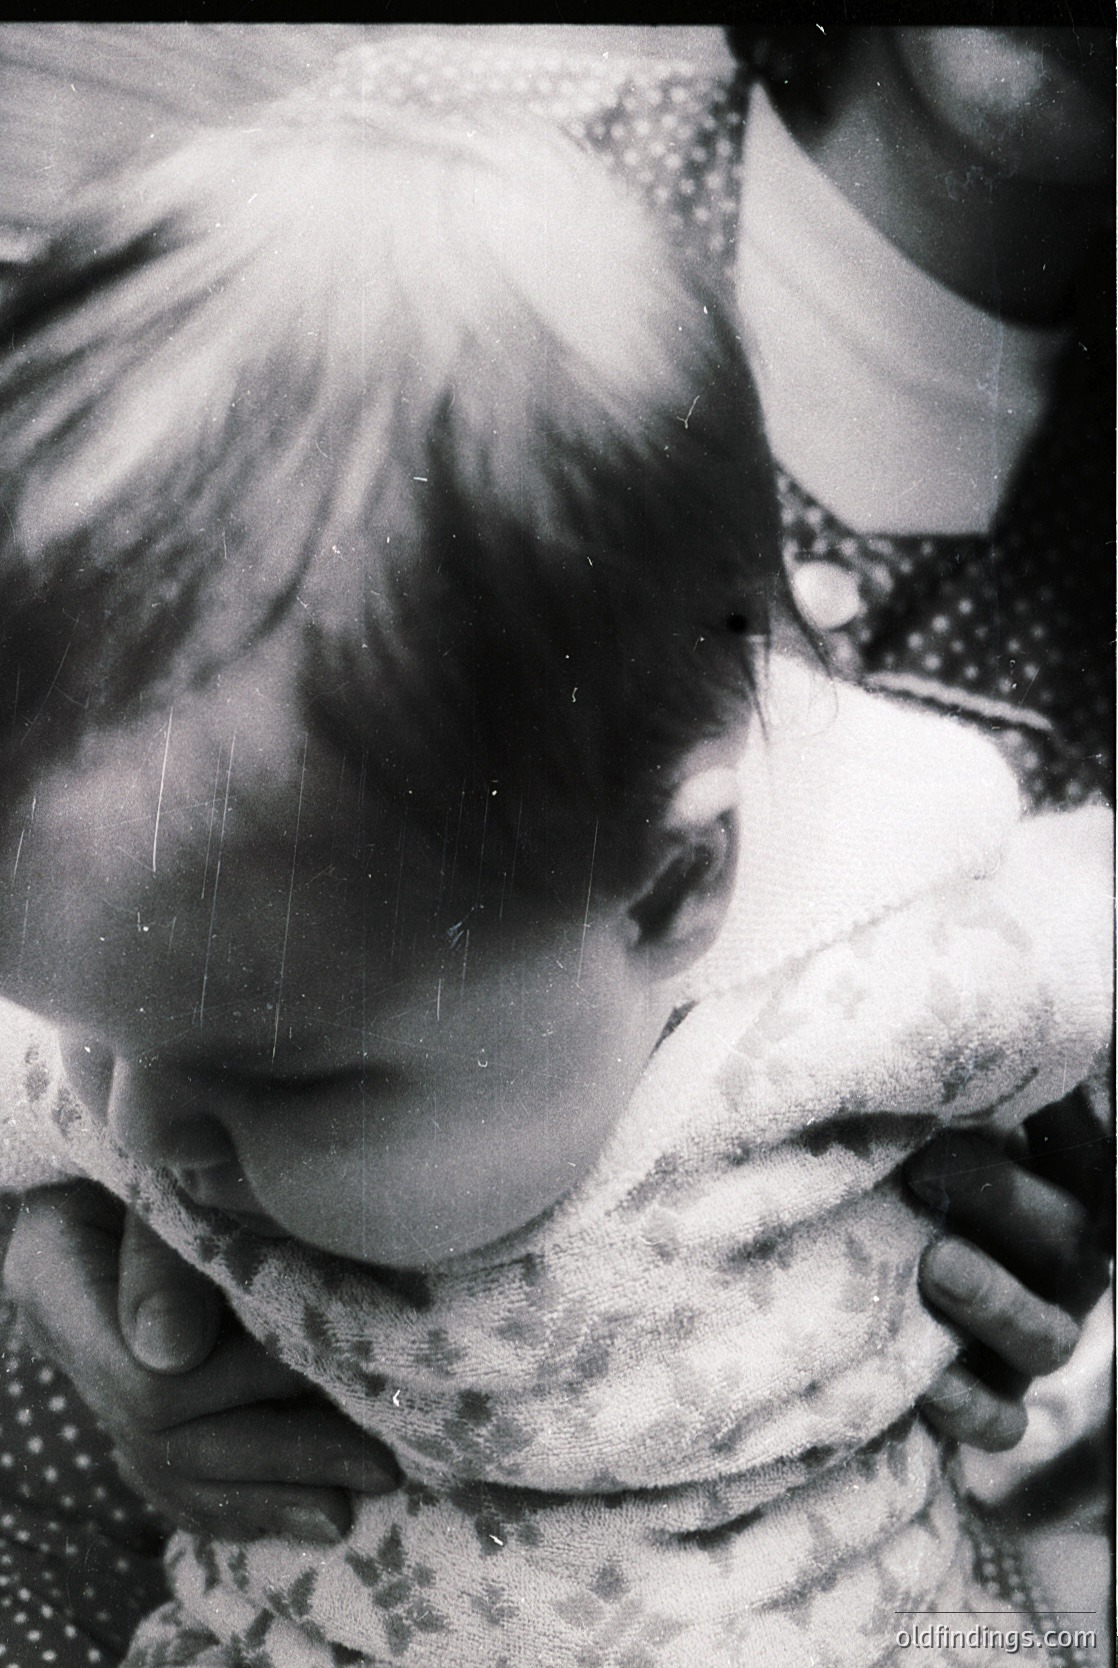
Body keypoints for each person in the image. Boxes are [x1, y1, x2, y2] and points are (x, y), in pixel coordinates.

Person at [0, 24, 1109, 1661]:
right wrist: (49, 1188)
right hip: (175, 1528)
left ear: (679, 877)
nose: (154, 1121)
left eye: (291, 1072)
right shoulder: (419, 189)